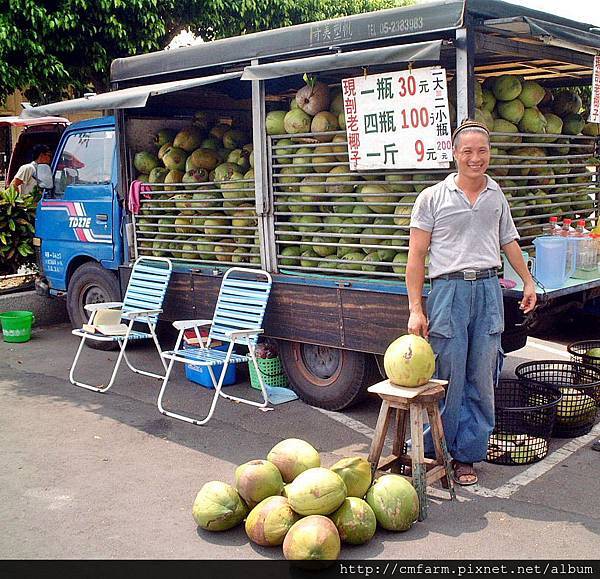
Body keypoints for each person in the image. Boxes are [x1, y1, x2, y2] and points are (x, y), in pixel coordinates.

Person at [406, 120, 537, 486]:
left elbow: (509, 241)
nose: (475, 158)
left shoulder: (496, 195)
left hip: (488, 291)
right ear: (454, 153)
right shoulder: (432, 198)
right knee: (447, 377)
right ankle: (438, 453)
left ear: (489, 153)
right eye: (468, 151)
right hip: (449, 292)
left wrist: (527, 281)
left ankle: (467, 456)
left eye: (482, 151)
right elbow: (416, 256)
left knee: (482, 375)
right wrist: (416, 308)